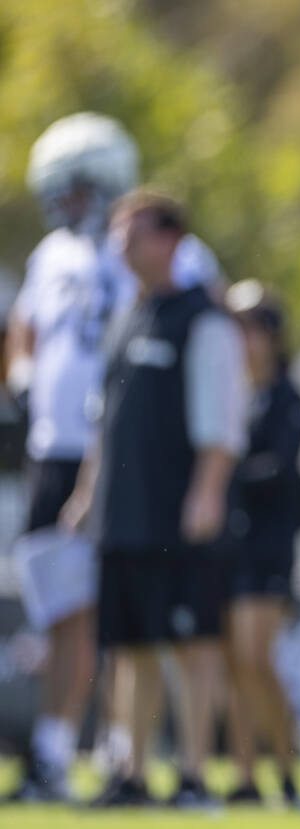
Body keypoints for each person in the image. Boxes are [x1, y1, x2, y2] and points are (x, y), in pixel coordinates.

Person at [62, 189, 247, 808]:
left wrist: (208, 491)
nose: (122, 246)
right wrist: (89, 494)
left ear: (169, 239)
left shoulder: (204, 318)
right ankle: (132, 771)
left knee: (193, 646)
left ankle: (194, 774)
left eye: (133, 234)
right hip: (124, 515)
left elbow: (222, 418)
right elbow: (103, 420)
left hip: (179, 512)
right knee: (130, 649)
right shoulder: (125, 318)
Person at [2, 111, 138, 803]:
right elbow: (22, 329)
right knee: (60, 611)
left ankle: (123, 753)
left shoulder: (145, 247)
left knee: (116, 613)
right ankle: (54, 752)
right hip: (54, 449)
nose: (70, 203)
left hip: (119, 454)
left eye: (80, 188)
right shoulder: (50, 256)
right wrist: (22, 376)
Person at [221, 279, 300, 806]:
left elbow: (279, 468)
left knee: (257, 656)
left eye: (252, 326)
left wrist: (223, 475)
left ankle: (286, 763)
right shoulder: (228, 391)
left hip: (270, 541)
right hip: (229, 540)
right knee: (235, 661)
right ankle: (245, 774)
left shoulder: (286, 396)